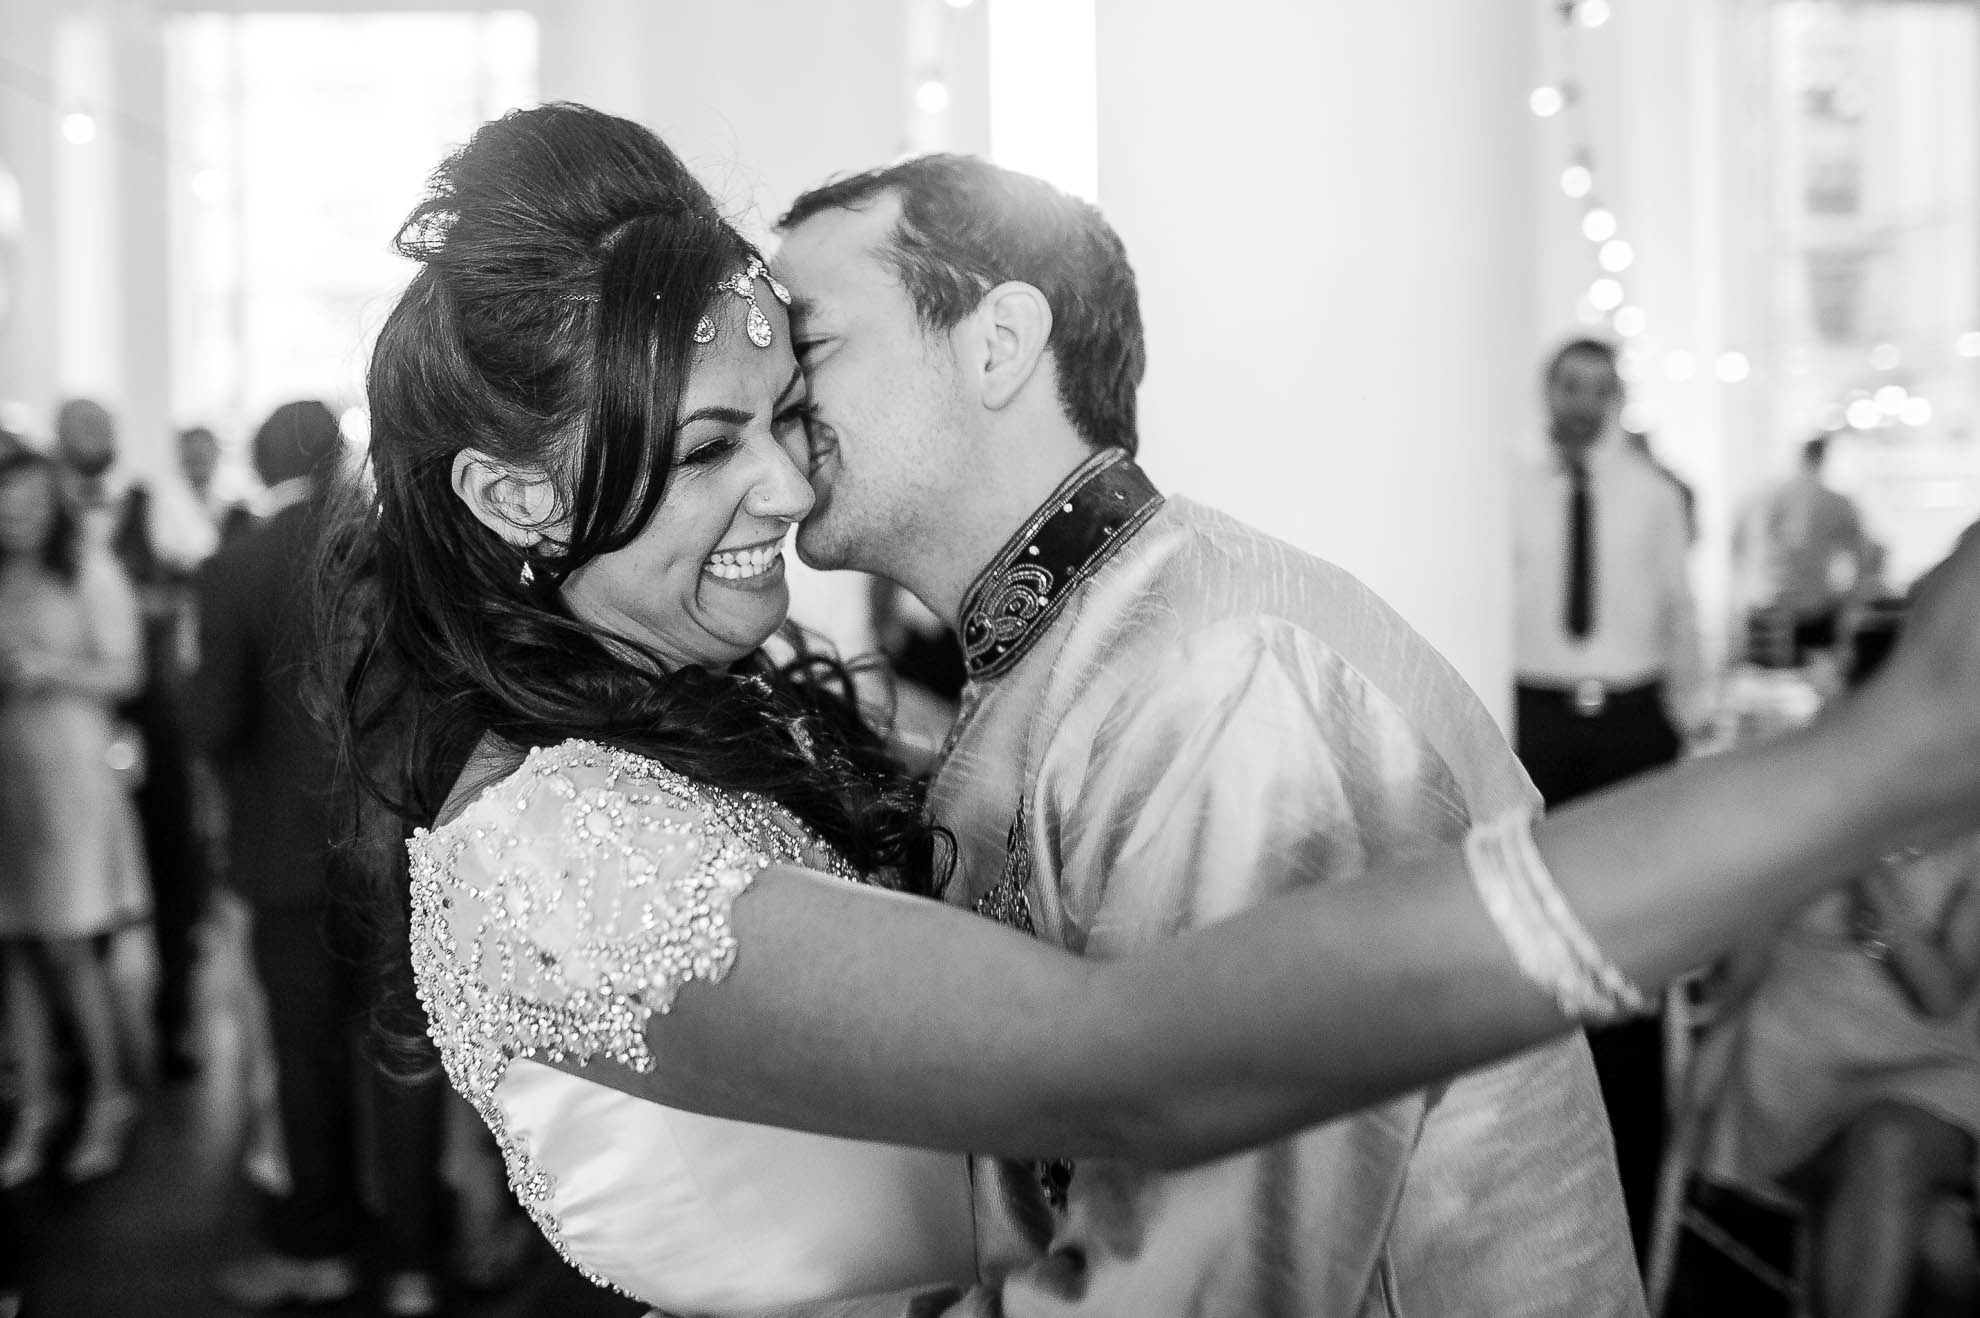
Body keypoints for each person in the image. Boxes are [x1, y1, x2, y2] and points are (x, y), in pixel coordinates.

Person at [331, 105, 1980, 1317]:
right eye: (712, 442)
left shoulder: (1206, 671)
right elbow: (1123, 1085)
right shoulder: (565, 838)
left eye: (798, 373)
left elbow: (1220, 1232)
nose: (784, 458)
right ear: (515, 499)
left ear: (1000, 341)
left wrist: (1872, 768)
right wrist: (1862, 767)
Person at [774, 157, 1635, 1312]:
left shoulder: (1230, 678)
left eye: (809, 346)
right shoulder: (1068, 644)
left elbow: (1207, 1271)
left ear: (997, 343)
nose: (772, 403)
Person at [191, 402, 448, 1315]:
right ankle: (414, 1264)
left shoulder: (234, 565)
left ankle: (323, 1246)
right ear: (341, 455)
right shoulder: (404, 552)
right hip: (398, 842)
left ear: (258, 462)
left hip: (287, 851)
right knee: (405, 1051)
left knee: (305, 1060)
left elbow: (214, 720)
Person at [1511, 338, 1708, 1259]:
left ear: (1619, 397)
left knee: (1632, 937)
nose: (1582, 402)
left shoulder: (1654, 496)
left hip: (1632, 725)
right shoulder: (1507, 486)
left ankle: (1634, 1174)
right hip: (1538, 721)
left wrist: (1690, 723)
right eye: (1568, 385)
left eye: (1599, 388)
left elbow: (1680, 611)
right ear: (1549, 393)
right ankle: (1544, 1140)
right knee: (1531, 928)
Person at [0, 445, 148, 1185]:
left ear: (53, 503)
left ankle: (109, 1099)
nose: (15, 515)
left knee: (68, 947)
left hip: (72, 773)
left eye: (28, 500)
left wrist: (45, 668)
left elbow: (129, 674)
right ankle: (38, 1107)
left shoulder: (89, 571)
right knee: (17, 953)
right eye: (5, 502)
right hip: (9, 777)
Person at [55, 398, 213, 1079]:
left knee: (170, 863)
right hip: (73, 720)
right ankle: (75, 1045)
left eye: (103, 430)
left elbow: (206, 579)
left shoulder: (154, 505)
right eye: (80, 432)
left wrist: (160, 606)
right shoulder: (43, 517)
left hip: (155, 713)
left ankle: (174, 1018)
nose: (94, 442)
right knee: (72, 876)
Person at [1734, 433, 1880, 667]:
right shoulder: (1834, 502)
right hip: (1810, 610)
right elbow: (1864, 558)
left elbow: (1739, 549)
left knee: (1766, 683)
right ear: (1824, 458)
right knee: (1809, 682)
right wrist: (1850, 600)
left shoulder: (1765, 497)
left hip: (1768, 605)